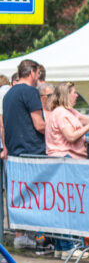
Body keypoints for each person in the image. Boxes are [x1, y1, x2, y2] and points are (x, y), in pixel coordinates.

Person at [45, 82, 89, 259]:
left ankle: (62, 246)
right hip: (64, 160)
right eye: (74, 92)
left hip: (69, 160)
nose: (77, 95)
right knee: (66, 205)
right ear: (66, 94)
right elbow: (71, 135)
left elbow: (87, 119)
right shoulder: (61, 113)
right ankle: (69, 247)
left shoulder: (70, 112)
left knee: (64, 205)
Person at [2, 59, 45, 250]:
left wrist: (7, 147)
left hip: (14, 152)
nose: (38, 78)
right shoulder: (30, 91)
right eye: (37, 74)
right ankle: (37, 235)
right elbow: (39, 124)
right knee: (37, 195)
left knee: (19, 195)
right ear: (32, 72)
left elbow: (4, 125)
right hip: (31, 150)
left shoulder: (8, 94)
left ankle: (20, 235)